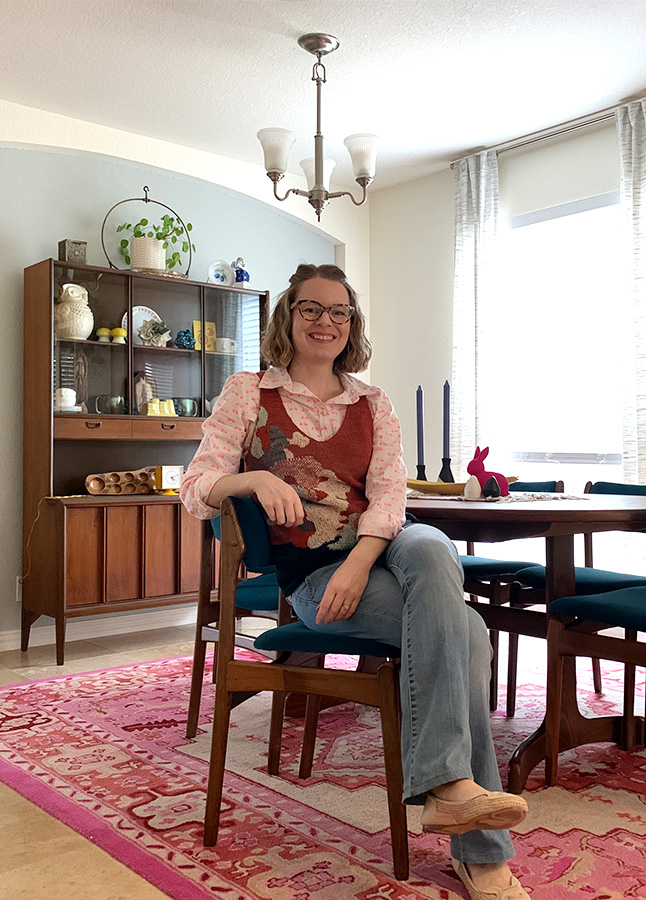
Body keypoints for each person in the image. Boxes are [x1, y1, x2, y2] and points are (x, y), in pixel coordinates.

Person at [181, 263, 528, 900]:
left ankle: (446, 788)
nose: (325, 321)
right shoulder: (248, 391)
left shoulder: (372, 402)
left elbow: (391, 497)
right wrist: (255, 479)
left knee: (431, 546)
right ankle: (477, 847)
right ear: (289, 316)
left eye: (338, 312)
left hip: (381, 551)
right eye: (311, 308)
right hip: (313, 576)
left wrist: (362, 559)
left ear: (352, 325)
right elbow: (195, 488)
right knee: (471, 633)